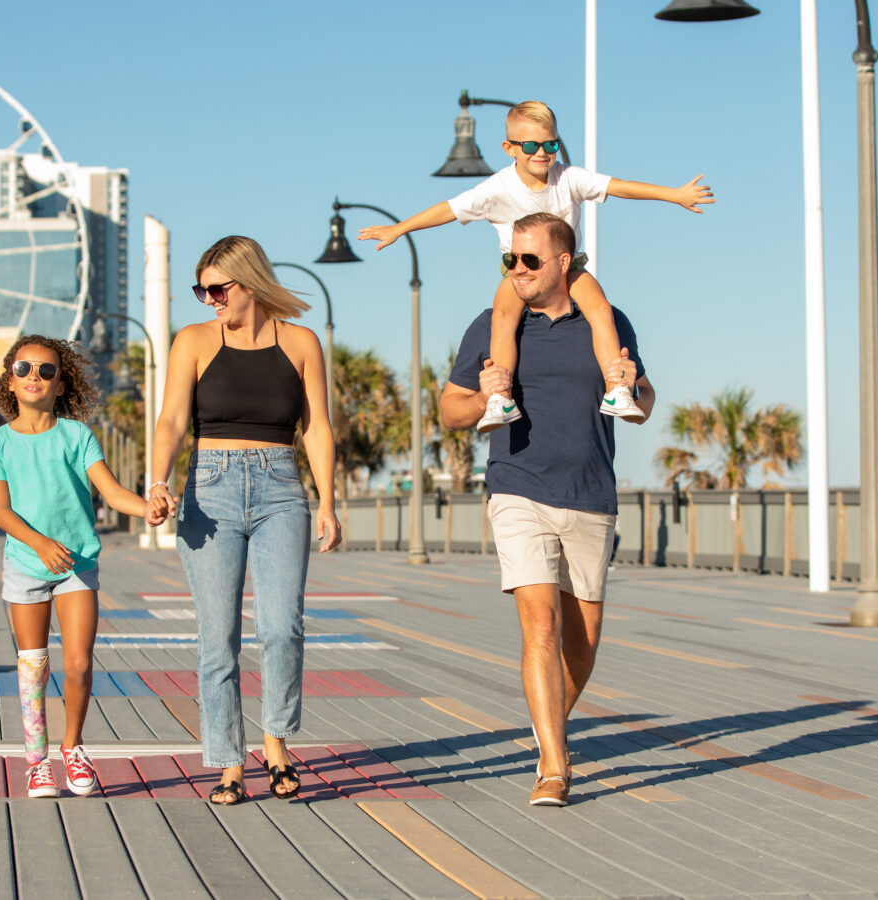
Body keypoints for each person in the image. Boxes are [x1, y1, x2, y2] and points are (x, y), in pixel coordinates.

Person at [440, 212, 655, 808]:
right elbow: (451, 411)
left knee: (582, 642)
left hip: (590, 491)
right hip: (516, 487)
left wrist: (633, 387)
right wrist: (484, 393)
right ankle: (555, 767)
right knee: (542, 626)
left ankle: (546, 728)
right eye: (510, 258)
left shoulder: (607, 322)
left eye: (529, 260)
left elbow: (644, 400)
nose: (517, 269)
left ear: (565, 263)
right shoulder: (491, 324)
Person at [361, 99, 698, 433]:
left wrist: (675, 195)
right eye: (531, 146)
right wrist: (399, 228)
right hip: (519, 272)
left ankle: (616, 391)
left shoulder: (568, 178)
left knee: (600, 309)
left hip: (569, 267)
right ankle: (500, 399)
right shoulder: (497, 188)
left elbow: (620, 187)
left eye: (550, 144)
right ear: (510, 148)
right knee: (503, 317)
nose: (541, 153)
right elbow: (448, 209)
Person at [146, 235, 342, 806]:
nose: (209, 300)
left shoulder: (301, 343)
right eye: (200, 290)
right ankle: (228, 762)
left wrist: (327, 501)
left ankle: (276, 744)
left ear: (248, 284)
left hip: (283, 487)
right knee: (218, 637)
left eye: (217, 289)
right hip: (210, 490)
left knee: (282, 628)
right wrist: (157, 482)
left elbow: (318, 428)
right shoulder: (194, 341)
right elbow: (170, 420)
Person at [0, 335, 152, 799]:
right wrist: (39, 545)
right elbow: (1, 512)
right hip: (25, 563)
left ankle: (73, 747)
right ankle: (37, 762)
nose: (33, 376)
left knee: (78, 663)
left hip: (77, 563)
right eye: (23, 369)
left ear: (62, 384)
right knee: (32, 667)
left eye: (46, 370)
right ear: (10, 381)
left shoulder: (77, 436)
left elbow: (113, 493)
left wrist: (149, 510)